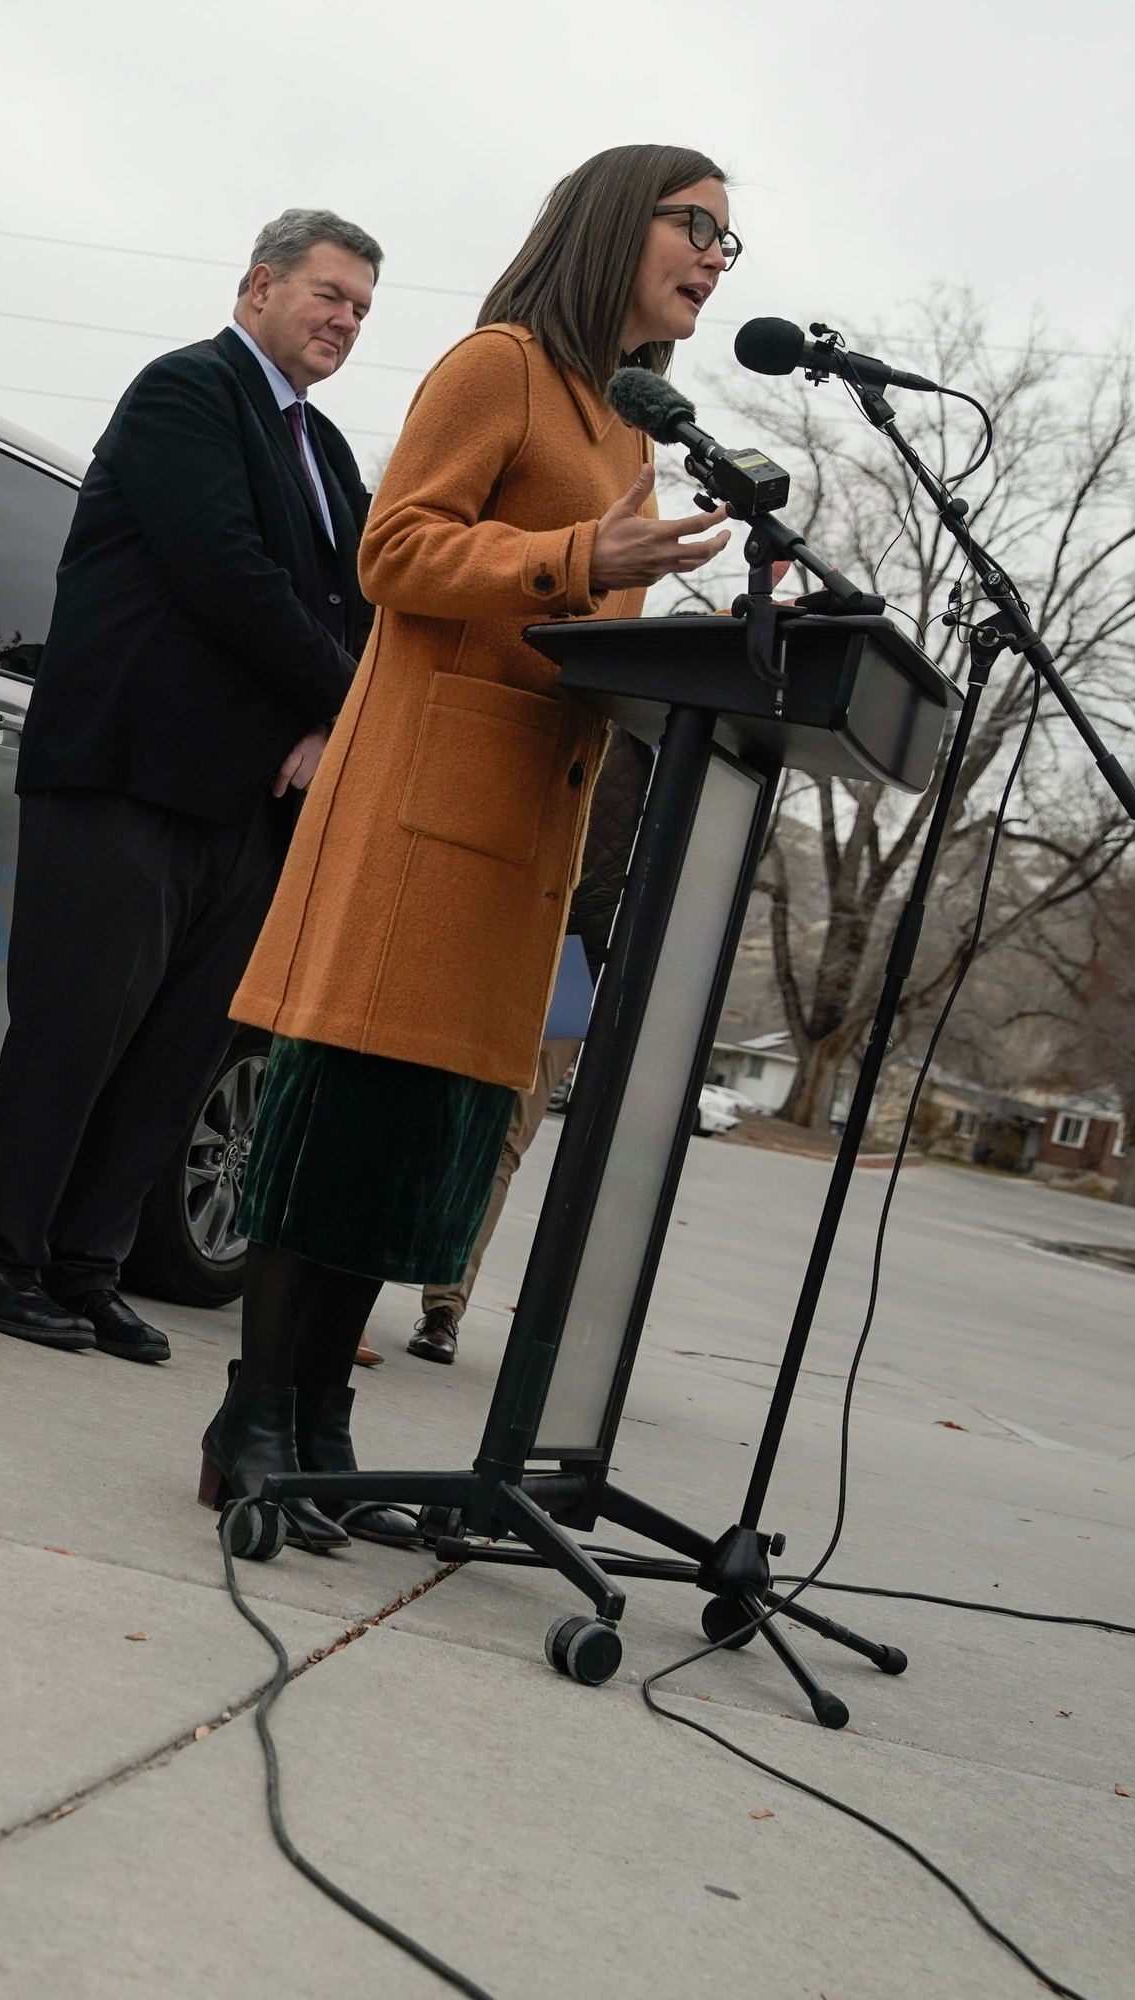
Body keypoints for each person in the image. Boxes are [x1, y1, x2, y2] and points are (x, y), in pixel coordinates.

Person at [202, 145, 741, 1551]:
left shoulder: (626, 429)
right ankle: (255, 1417)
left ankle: (320, 1423)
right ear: (620, 224)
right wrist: (580, 563)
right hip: (420, 820)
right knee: (348, 1123)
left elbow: (567, 619)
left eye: (729, 243)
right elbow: (395, 553)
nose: (717, 260)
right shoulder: (497, 366)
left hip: (524, 828)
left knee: (415, 1152)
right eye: (700, 228)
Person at [0, 210, 381, 1364]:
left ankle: (86, 1266)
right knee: (78, 1028)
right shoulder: (185, 391)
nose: (345, 320)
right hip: (127, 772)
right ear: (257, 287)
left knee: (176, 1052)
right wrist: (346, 703)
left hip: (249, 802)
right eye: (329, 294)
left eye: (362, 310)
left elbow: (359, 605)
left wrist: (340, 714)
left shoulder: (327, 455)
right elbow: (224, 570)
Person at [407, 728, 652, 1363]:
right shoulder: (568, 706)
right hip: (490, 929)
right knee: (418, 1112)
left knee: (504, 1141)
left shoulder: (690, 759)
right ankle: (345, 1292)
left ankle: (444, 1307)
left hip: (574, 960)